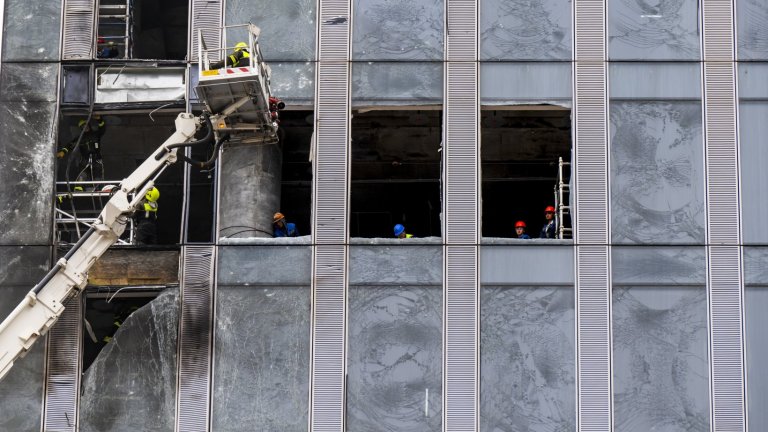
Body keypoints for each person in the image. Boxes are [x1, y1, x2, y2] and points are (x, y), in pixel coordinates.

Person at [57, 115, 107, 189]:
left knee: (97, 176)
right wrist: (63, 152)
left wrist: (99, 119)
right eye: (82, 126)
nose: (85, 127)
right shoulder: (80, 138)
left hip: (96, 159)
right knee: (82, 175)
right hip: (84, 160)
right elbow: (70, 145)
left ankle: (98, 189)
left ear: (89, 125)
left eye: (86, 125)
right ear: (81, 128)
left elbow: (102, 128)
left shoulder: (96, 134)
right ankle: (78, 190)